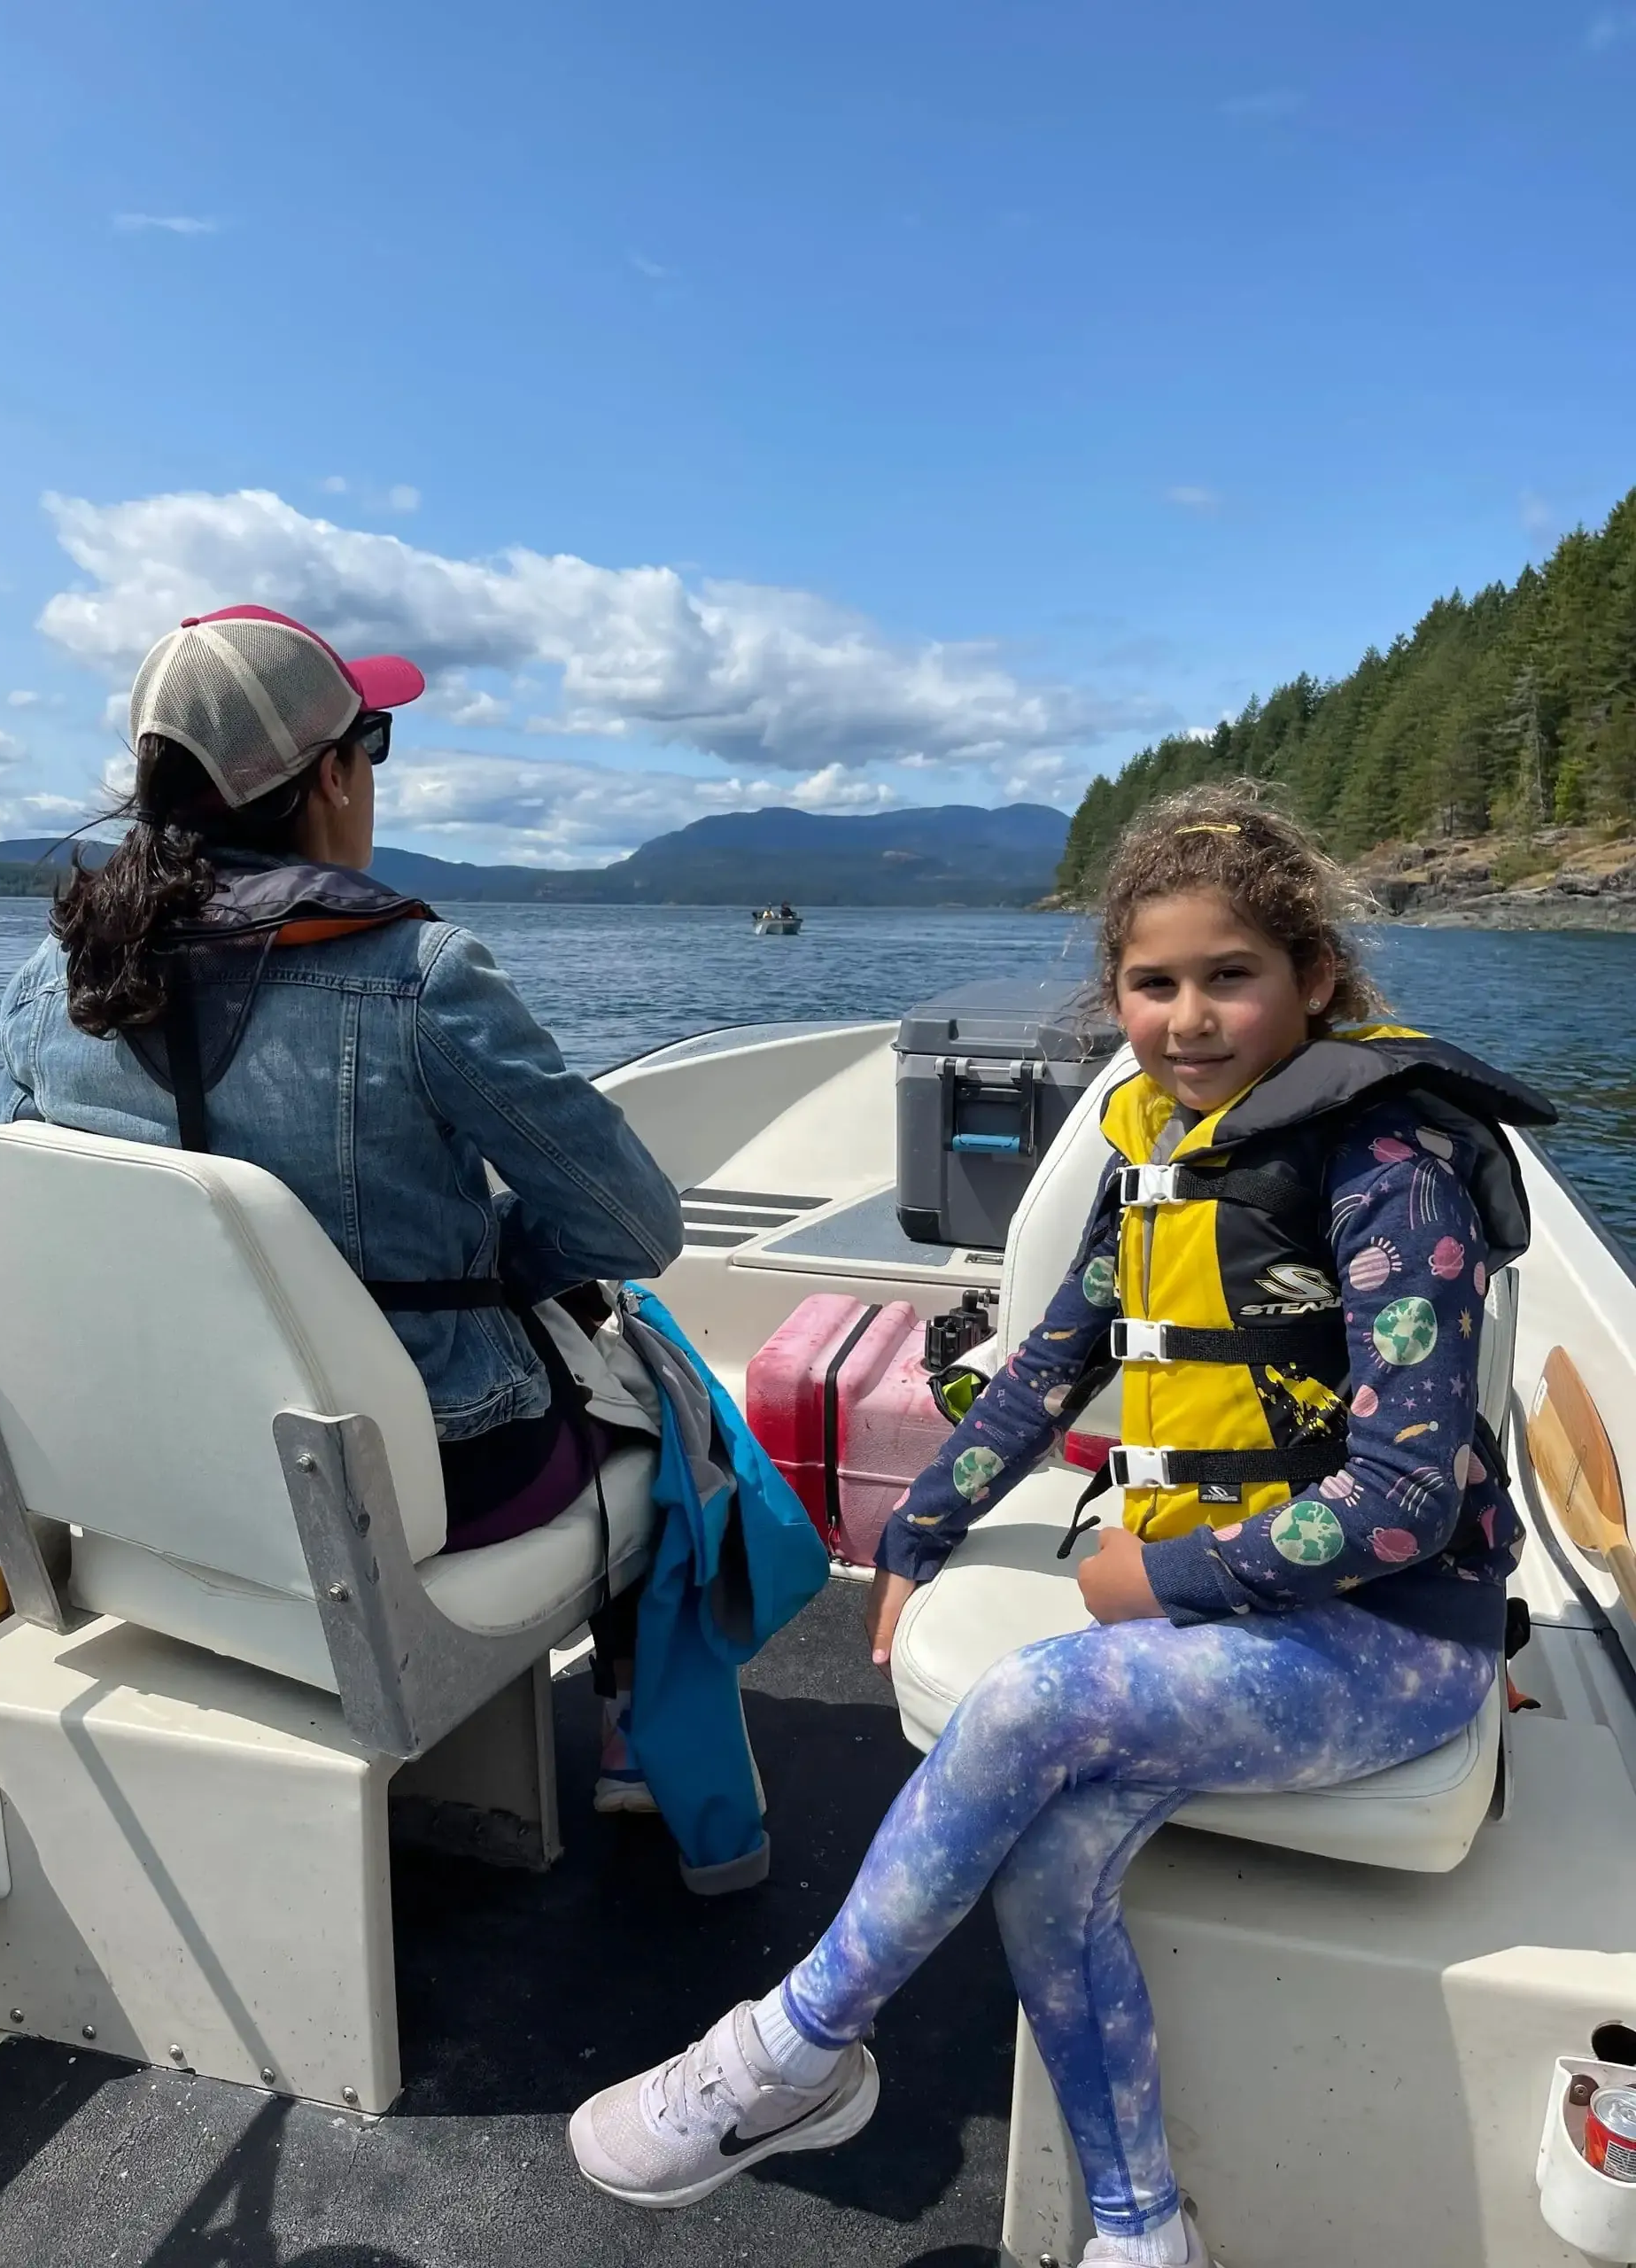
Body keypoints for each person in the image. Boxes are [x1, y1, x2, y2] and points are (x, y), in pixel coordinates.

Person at [568, 781, 1555, 2263]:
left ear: (1316, 983)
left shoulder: (1386, 1166)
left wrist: (1154, 1575)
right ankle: (1140, 2228)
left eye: (1233, 977)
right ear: (1119, 997)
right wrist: (914, 1532)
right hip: (1243, 1629)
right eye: (1155, 985)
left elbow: (1410, 1501)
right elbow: (1050, 1363)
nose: (1192, 1018)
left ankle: (797, 2047)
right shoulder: (1163, 1149)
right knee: (1050, 1856)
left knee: (1036, 1702)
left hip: (1386, 1645)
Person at [0, 605, 683, 1809]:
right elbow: (637, 1228)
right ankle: (638, 1745)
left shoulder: (52, 980)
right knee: (672, 1414)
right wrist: (497, 1263)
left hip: (139, 1471)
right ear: (331, 775)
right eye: (373, 748)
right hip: (428, 1479)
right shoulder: (420, 977)